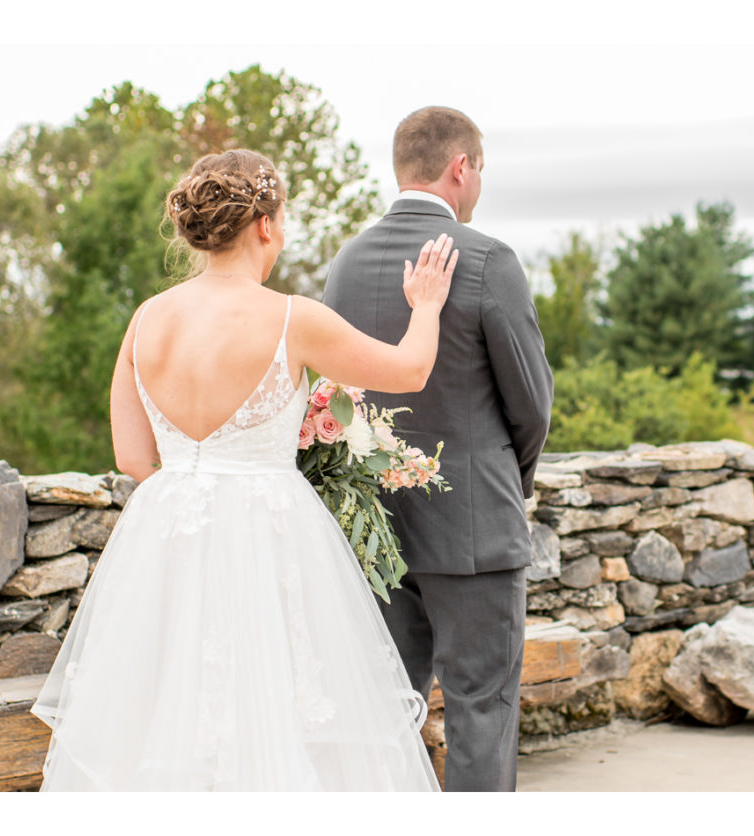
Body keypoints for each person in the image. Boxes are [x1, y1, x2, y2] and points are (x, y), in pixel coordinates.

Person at [32, 148, 456, 790]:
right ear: (264, 223)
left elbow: (132, 458)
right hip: (269, 538)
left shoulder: (146, 319)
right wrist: (425, 304)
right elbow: (410, 371)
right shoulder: (292, 318)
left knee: (165, 720)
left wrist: (196, 491)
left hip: (167, 536)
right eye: (282, 218)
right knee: (275, 718)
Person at [322, 106, 554, 791]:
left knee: (388, 711)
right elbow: (530, 403)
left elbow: (339, 398)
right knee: (481, 705)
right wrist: (513, 483)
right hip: (475, 530)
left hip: (377, 532)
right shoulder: (486, 259)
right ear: (462, 167)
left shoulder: (347, 263)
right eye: (479, 170)